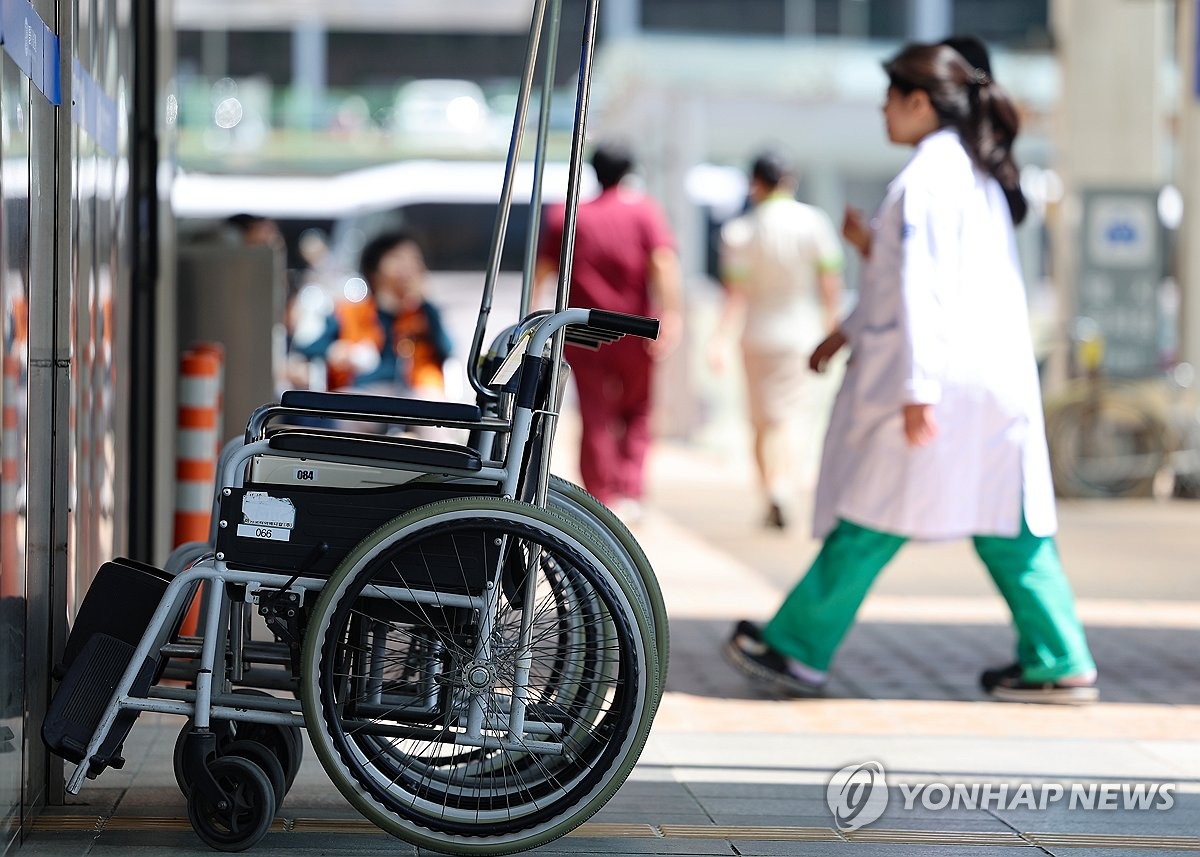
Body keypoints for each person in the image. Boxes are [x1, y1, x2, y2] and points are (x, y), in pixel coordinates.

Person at [725, 40, 1098, 704]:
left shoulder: (925, 179)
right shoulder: (979, 173)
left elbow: (924, 289)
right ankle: (1057, 656)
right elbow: (925, 280)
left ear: (920, 102)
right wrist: (848, 323)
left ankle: (797, 646)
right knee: (1009, 522)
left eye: (890, 97)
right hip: (989, 379)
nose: (882, 110)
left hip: (938, 379)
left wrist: (918, 388)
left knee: (873, 513)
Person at [535, 143, 683, 521]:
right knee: (637, 409)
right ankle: (629, 491)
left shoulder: (568, 214)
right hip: (636, 331)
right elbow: (663, 264)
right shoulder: (645, 211)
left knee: (595, 412)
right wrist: (673, 314)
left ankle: (600, 494)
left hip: (584, 332)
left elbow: (543, 271)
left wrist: (535, 316)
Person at [711, 151, 844, 529]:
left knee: (759, 421)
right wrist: (833, 328)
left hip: (755, 335)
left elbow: (734, 295)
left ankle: (770, 489)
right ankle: (785, 486)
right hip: (802, 334)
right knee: (792, 417)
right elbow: (830, 284)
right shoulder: (814, 223)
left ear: (756, 183)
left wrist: (719, 339)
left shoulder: (740, 231)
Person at [295, 230, 452, 398]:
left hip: (418, 390)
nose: (409, 266)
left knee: (433, 415)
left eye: (414, 259)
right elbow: (308, 346)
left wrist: (425, 304)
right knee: (352, 417)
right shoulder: (350, 312)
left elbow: (448, 349)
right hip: (365, 391)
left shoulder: (424, 312)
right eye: (398, 258)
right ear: (374, 269)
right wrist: (335, 350)